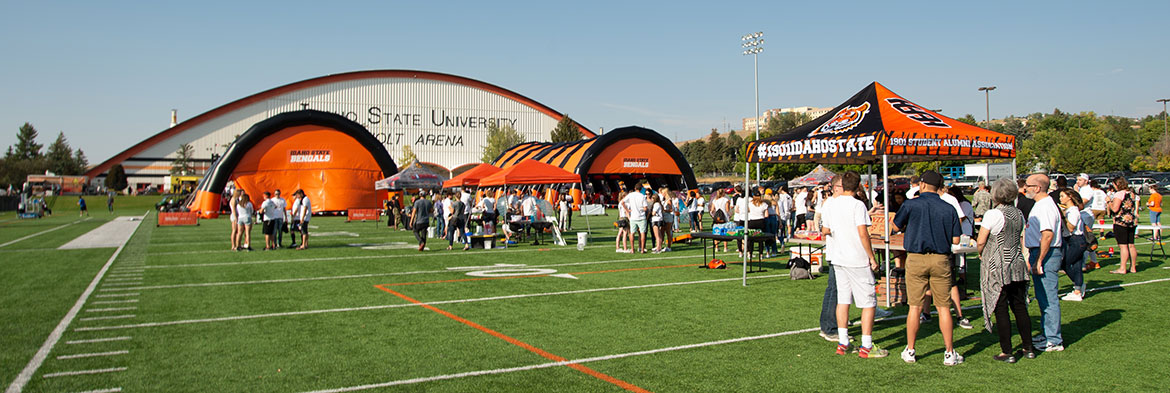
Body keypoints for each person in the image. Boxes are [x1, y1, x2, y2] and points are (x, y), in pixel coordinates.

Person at [890, 170, 963, 365]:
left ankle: (911, 350)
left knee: (915, 306)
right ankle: (949, 352)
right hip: (941, 259)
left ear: (922, 185)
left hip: (915, 258)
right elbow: (956, 239)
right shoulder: (949, 208)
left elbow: (895, 227)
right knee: (944, 307)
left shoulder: (911, 204)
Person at [822, 172, 887, 358]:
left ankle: (843, 342)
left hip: (839, 257)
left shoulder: (832, 204)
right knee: (868, 302)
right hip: (856, 258)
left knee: (843, 300)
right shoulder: (857, 205)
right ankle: (866, 345)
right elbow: (863, 234)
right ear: (858, 185)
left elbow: (825, 229)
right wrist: (872, 257)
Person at [976, 178, 1036, 363]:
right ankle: (1028, 347)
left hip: (998, 264)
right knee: (1019, 306)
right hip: (1016, 261)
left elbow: (981, 240)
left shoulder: (993, 214)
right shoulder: (1018, 213)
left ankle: (1007, 350)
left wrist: (981, 253)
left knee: (1001, 308)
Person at [1024, 174, 1065, 352]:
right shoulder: (1041, 205)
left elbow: (1047, 235)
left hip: (1046, 254)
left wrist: (1039, 259)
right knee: (1042, 297)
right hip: (1039, 252)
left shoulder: (1045, 206)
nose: (1025, 188)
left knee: (1048, 298)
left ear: (1038, 188)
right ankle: (1047, 333)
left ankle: (1054, 340)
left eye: (1028, 185)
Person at [1059, 190, 1088, 302]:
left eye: (1062, 196)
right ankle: (1078, 289)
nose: (1060, 198)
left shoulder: (1073, 211)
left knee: (1065, 264)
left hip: (1076, 240)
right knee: (1076, 266)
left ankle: (1078, 285)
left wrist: (1063, 215)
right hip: (1072, 240)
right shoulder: (1070, 210)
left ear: (1069, 197)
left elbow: (1071, 227)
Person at [1109, 176, 1138, 274]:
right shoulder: (1131, 193)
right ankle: (1133, 267)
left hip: (1121, 222)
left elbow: (1115, 209)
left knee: (1123, 246)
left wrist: (1109, 202)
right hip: (1131, 221)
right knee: (1131, 245)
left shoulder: (1119, 194)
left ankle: (1122, 268)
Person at [622, 184, 650, 253]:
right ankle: (642, 249)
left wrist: (627, 210)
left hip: (633, 217)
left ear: (635, 188)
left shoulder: (631, 195)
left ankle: (632, 249)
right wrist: (642, 209)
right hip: (641, 217)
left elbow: (622, 202)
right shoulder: (642, 196)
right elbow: (645, 208)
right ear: (641, 189)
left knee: (632, 233)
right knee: (642, 233)